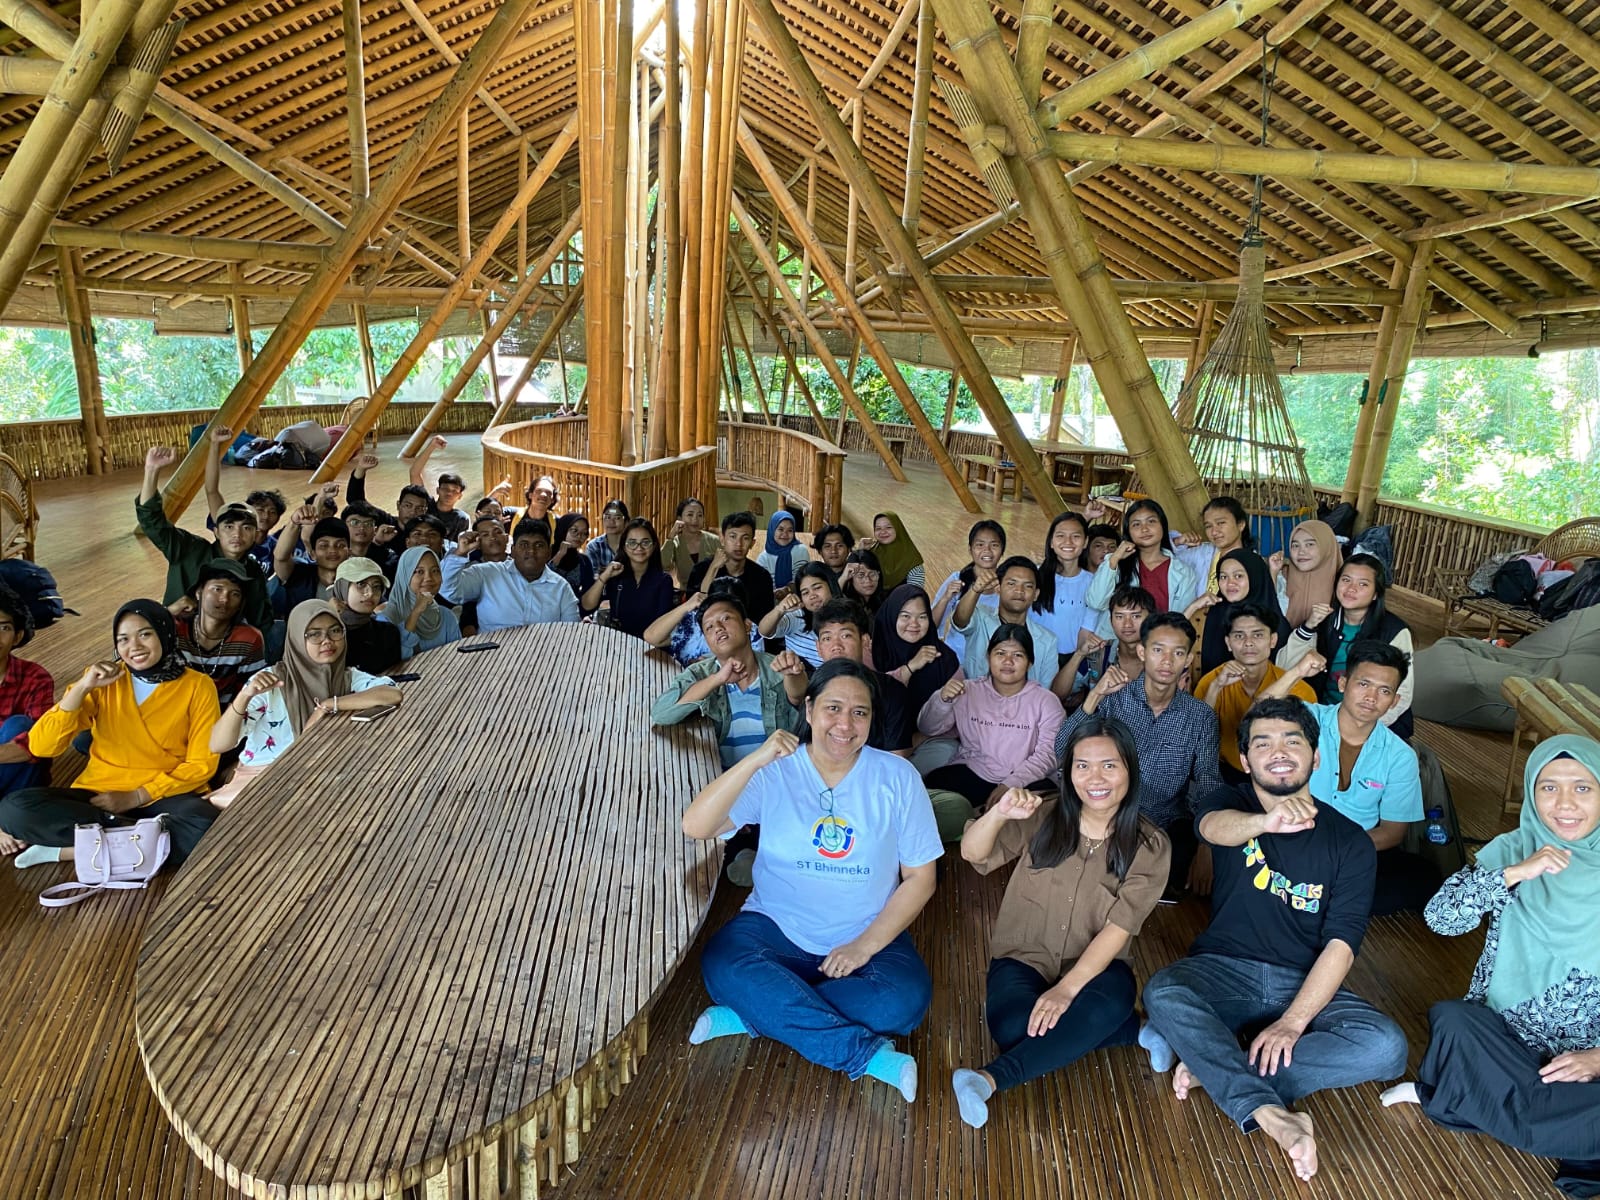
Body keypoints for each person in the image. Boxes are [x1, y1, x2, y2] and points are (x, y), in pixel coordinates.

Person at [1140, 697, 1408, 1184]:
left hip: (1301, 982)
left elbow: (1341, 944)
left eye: (1292, 741)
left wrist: (1293, 1021)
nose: (1278, 752)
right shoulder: (1229, 803)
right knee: (1164, 991)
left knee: (1386, 1047)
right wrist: (1266, 822)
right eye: (1263, 744)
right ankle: (1269, 1112)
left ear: (1316, 756)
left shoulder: (1349, 841)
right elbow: (1212, 829)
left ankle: (1218, 1066)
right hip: (1222, 970)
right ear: (1246, 761)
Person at [682, 659, 942, 1103]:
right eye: (833, 708)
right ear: (808, 710)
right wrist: (757, 759)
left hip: (866, 931)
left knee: (903, 1001)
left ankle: (756, 1012)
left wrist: (863, 946)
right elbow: (696, 825)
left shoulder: (898, 778)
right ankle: (863, 1054)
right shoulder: (775, 771)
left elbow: (920, 878)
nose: (845, 724)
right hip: (776, 930)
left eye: (859, 712)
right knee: (722, 962)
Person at [1381, 736, 1600, 1199]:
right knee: (1454, 1020)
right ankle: (1552, 1124)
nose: (1564, 804)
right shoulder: (1513, 848)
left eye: (1582, 788)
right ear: (1531, 793)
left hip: (1589, 1056)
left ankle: (1462, 1099)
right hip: (1507, 1038)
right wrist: (1514, 873)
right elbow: (1441, 919)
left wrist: (1596, 1058)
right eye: (1548, 787)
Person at [951, 719, 1170, 1128]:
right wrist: (998, 813)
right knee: (1014, 1028)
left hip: (1096, 971)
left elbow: (1119, 928)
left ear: (1130, 770)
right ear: (1068, 773)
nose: (1095, 778)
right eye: (1082, 766)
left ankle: (987, 1079)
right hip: (1023, 957)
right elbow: (972, 853)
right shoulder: (1043, 814)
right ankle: (1131, 1029)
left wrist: (1066, 991)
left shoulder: (1150, 844)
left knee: (1104, 1001)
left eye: (1109, 765)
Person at [0, 601, 221, 868]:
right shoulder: (103, 681)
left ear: (165, 633)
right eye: (123, 639)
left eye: (145, 634)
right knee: (14, 810)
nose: (134, 646)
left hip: (164, 795)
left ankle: (71, 850)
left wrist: (136, 796)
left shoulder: (198, 686)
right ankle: (142, 841)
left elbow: (201, 764)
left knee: (204, 825)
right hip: (100, 797)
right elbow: (41, 746)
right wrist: (81, 688)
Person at [1263, 641, 1435, 916]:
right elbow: (1260, 712)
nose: (1371, 697)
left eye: (1384, 691)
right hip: (1293, 838)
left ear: (1394, 701)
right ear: (1343, 683)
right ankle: (1328, 897)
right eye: (1363, 684)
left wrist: (1337, 852)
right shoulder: (1308, 719)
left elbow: (1392, 832)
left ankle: (1309, 894)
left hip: (1353, 849)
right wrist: (1297, 672)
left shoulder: (1400, 756)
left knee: (1424, 876)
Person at [1057, 612, 1220, 894]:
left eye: (1177, 653)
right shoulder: (1114, 698)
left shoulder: (1200, 716)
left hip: (1164, 824)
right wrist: (1095, 695)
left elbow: (1208, 779)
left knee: (1174, 881)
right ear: (1142, 652)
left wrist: (1208, 845)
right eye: (1158, 650)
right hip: (1107, 816)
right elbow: (1063, 749)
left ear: (1188, 660)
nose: (1167, 661)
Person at [207, 600, 404, 806]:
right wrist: (244, 696)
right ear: (296, 639)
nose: (327, 641)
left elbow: (392, 694)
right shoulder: (270, 682)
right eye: (314, 634)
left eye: (335, 631)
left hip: (319, 774)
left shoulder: (346, 677)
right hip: (264, 777)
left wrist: (330, 704)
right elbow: (218, 744)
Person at [920, 625, 1065, 838]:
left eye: (1017, 655)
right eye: (1000, 653)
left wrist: (1010, 785)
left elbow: (1049, 755)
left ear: (1030, 662)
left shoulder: (1046, 701)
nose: (1008, 661)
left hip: (1027, 779)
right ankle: (978, 826)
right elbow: (928, 727)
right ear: (988, 657)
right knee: (932, 790)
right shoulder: (967, 690)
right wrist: (942, 700)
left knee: (1048, 806)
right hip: (975, 771)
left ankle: (980, 825)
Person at [649, 590, 801, 769]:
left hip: (778, 773)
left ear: (747, 626)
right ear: (707, 640)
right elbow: (661, 714)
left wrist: (793, 674)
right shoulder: (701, 673)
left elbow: (799, 696)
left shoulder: (776, 666)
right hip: (727, 778)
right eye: (709, 627)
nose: (718, 628)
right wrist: (717, 679)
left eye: (726, 618)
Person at [1278, 552, 1415, 739]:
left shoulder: (1394, 631)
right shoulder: (1324, 620)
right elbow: (1284, 667)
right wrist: (1309, 626)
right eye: (1346, 580)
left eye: (1363, 584)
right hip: (1323, 715)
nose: (1351, 589)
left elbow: (1403, 693)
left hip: (1373, 724)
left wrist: (1356, 728)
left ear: (1376, 594)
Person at [137, 444, 273, 631]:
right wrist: (151, 471)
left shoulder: (253, 572)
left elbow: (261, 620)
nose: (237, 534)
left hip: (224, 643)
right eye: (229, 527)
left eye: (246, 528)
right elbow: (152, 521)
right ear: (216, 532)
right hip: (175, 634)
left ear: (255, 535)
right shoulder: (190, 550)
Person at [775, 599, 914, 755]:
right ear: (818, 647)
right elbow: (798, 696)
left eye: (846, 636)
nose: (836, 646)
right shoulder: (817, 686)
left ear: (864, 641)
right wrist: (791, 673)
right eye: (827, 638)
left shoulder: (892, 690)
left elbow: (897, 757)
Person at [1195, 602, 1315, 782]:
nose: (1248, 642)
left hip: (1279, 775)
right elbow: (1196, 739)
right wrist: (1216, 687)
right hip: (1223, 773)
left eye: (1258, 635)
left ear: (1273, 640)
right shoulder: (1211, 681)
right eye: (1239, 636)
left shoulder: (1298, 688)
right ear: (1228, 643)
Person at [1084, 499, 1200, 640]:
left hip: (1159, 646)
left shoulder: (1184, 573)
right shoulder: (1117, 564)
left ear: (1163, 526)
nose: (1144, 529)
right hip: (1118, 646)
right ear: (1128, 531)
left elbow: (1180, 620)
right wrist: (1114, 559)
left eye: (1151, 521)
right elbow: (1096, 602)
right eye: (1136, 524)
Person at [441, 521, 579, 631]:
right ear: (512, 551)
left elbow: (571, 633)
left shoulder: (561, 588)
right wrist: (460, 553)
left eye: (539, 545)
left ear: (549, 552)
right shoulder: (487, 574)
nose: (531, 551)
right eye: (524, 545)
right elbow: (449, 591)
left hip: (544, 655)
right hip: (492, 656)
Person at [951, 556, 1060, 691]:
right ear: (998, 588)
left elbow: (1044, 690)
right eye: (1011, 584)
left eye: (1028, 586)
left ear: (1036, 594)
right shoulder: (980, 617)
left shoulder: (1048, 641)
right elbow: (959, 620)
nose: (1019, 590)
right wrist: (975, 590)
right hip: (976, 701)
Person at [173, 559, 266, 709]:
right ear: (199, 592)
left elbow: (249, 693)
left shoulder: (249, 639)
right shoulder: (175, 629)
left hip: (223, 716)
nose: (224, 599)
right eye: (217, 589)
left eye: (235, 594)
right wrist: (167, 612)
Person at [871, 585, 960, 719]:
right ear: (891, 616)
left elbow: (957, 711)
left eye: (922, 617)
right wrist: (910, 667)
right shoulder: (873, 654)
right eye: (906, 616)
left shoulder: (944, 657)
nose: (914, 624)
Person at [0, 583, 54, 803]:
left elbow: (42, 741)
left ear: (17, 636)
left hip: (21, 774)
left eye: (4, 628)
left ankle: (13, 812)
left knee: (20, 725)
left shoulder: (36, 677)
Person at [1195, 549, 1285, 678]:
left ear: (1255, 577)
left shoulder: (1276, 624)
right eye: (1223, 577)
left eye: (1238, 576)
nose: (1230, 583)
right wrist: (1192, 608)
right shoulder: (1204, 615)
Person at [583, 518, 675, 638]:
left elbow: (663, 627)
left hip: (650, 645)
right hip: (618, 644)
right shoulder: (616, 576)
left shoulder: (663, 581)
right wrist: (604, 576)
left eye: (645, 542)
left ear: (653, 546)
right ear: (624, 547)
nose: (639, 548)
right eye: (632, 543)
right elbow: (587, 606)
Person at [930, 520, 1006, 662]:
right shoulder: (958, 579)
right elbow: (931, 625)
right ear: (970, 549)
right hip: (956, 659)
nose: (987, 550)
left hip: (992, 663)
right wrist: (945, 598)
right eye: (980, 545)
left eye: (994, 545)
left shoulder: (1008, 585)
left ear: (1002, 550)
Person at [1060, 585, 1155, 697]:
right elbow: (1058, 695)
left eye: (1135, 616)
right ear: (1111, 621)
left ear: (1151, 619)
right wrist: (1079, 654)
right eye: (1119, 617)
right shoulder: (1099, 651)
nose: (1127, 624)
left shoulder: (1163, 655)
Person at [684, 511, 777, 624]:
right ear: (722, 539)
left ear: (752, 543)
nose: (739, 544)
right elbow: (692, 613)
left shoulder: (762, 577)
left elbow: (765, 621)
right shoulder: (701, 570)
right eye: (733, 537)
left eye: (745, 538)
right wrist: (713, 569)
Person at [1033, 512, 1097, 665]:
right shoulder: (1034, 575)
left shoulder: (1093, 583)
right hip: (1032, 656)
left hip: (1069, 659)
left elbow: (1086, 630)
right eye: (1060, 536)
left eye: (1076, 536)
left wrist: (1073, 665)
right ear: (1051, 542)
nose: (1068, 541)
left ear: (1085, 542)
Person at [380, 546, 461, 656]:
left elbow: (457, 656)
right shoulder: (386, 620)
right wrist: (415, 613)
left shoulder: (446, 616)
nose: (428, 578)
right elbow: (397, 660)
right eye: (419, 571)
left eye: (435, 571)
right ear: (405, 576)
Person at [757, 562, 840, 665]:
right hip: (798, 673)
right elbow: (764, 631)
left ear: (831, 585)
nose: (812, 596)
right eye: (805, 593)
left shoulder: (848, 613)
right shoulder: (797, 616)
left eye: (817, 588)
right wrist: (779, 609)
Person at [330, 557, 403, 674]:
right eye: (361, 584)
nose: (370, 593)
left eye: (376, 586)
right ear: (342, 588)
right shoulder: (328, 638)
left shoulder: (387, 633)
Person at [272, 510, 351, 617]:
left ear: (349, 552)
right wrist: (294, 523)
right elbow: (281, 557)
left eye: (340, 545)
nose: (332, 551)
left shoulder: (358, 582)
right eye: (324, 545)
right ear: (313, 554)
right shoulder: (298, 575)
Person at [1174, 496, 1254, 593]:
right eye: (1208, 526)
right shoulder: (1201, 553)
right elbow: (1167, 561)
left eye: (1221, 523)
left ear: (1240, 525)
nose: (1214, 532)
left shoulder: (1254, 563)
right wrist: (1177, 542)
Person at [1274, 519, 1340, 628]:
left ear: (1326, 546)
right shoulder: (1281, 578)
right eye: (1295, 545)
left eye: (1310, 544)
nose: (1301, 552)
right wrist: (1273, 574)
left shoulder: (1344, 583)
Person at [407, 434, 469, 538]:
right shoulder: (426, 505)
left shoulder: (461, 518)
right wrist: (431, 446)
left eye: (454, 491)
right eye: (445, 488)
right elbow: (414, 473)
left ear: (460, 496)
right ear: (437, 490)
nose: (449, 493)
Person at [662, 496, 720, 589]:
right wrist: (671, 536)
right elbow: (663, 564)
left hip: (712, 592)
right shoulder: (675, 542)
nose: (695, 519)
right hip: (686, 593)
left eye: (700, 515)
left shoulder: (714, 540)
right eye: (690, 515)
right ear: (680, 518)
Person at [340, 502, 400, 580]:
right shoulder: (335, 557)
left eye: (368, 524)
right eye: (355, 522)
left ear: (375, 530)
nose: (361, 528)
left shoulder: (388, 559)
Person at [868, 512, 926, 591]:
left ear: (898, 528)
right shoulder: (870, 553)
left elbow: (913, 592)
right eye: (878, 528)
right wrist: (860, 552)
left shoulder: (911, 558)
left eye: (888, 527)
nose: (883, 532)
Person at [758, 510, 811, 592]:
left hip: (799, 597)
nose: (785, 534)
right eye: (780, 529)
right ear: (772, 530)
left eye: (790, 530)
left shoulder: (800, 551)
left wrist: (788, 590)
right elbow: (761, 588)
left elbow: (803, 581)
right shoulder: (763, 558)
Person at [550, 513, 597, 597]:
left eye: (584, 533)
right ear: (563, 530)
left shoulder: (584, 561)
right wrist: (559, 556)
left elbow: (588, 593)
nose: (579, 536)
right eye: (574, 530)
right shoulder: (545, 553)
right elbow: (540, 583)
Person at [585, 499, 629, 576]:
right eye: (608, 517)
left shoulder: (632, 545)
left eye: (617, 518)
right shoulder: (594, 546)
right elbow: (593, 577)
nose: (611, 522)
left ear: (626, 522)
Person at [840, 548, 886, 615]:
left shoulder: (885, 602)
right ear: (850, 578)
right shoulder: (844, 605)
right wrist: (843, 578)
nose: (868, 580)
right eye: (861, 575)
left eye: (872, 574)